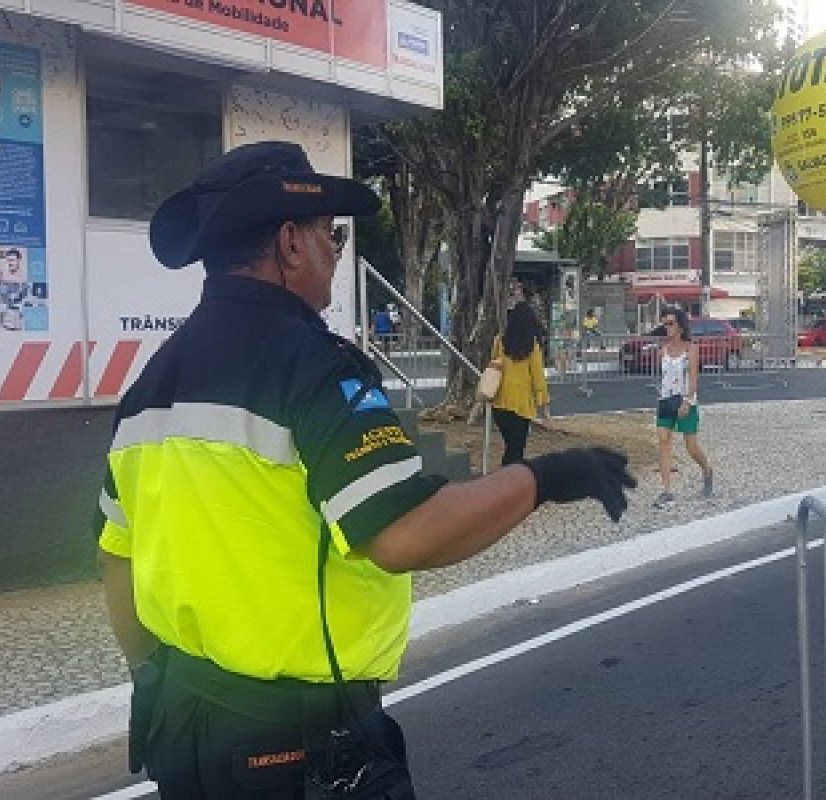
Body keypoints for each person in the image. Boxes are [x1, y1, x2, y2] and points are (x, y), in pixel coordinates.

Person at [93, 141, 636, 799]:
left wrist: (153, 674)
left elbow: (117, 560)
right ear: (291, 243)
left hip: (183, 729)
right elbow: (405, 533)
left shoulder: (151, 382)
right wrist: (546, 479)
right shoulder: (313, 366)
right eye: (332, 237)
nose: (334, 254)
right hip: (297, 746)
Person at [651, 306, 714, 510]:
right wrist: (660, 390)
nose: (667, 327)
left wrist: (687, 400)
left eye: (670, 323)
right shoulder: (663, 350)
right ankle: (667, 490)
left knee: (691, 448)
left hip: (685, 400)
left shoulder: (691, 349)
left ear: (680, 325)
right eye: (665, 324)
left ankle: (706, 469)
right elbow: (664, 376)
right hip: (665, 400)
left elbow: (694, 379)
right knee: (663, 441)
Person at [490, 300, 552, 465]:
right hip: (521, 406)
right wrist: (544, 405)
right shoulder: (532, 346)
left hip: (499, 403)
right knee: (516, 450)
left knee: (511, 448)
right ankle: (509, 484)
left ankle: (507, 481)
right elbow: (538, 377)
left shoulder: (499, 340)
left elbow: (493, 365)